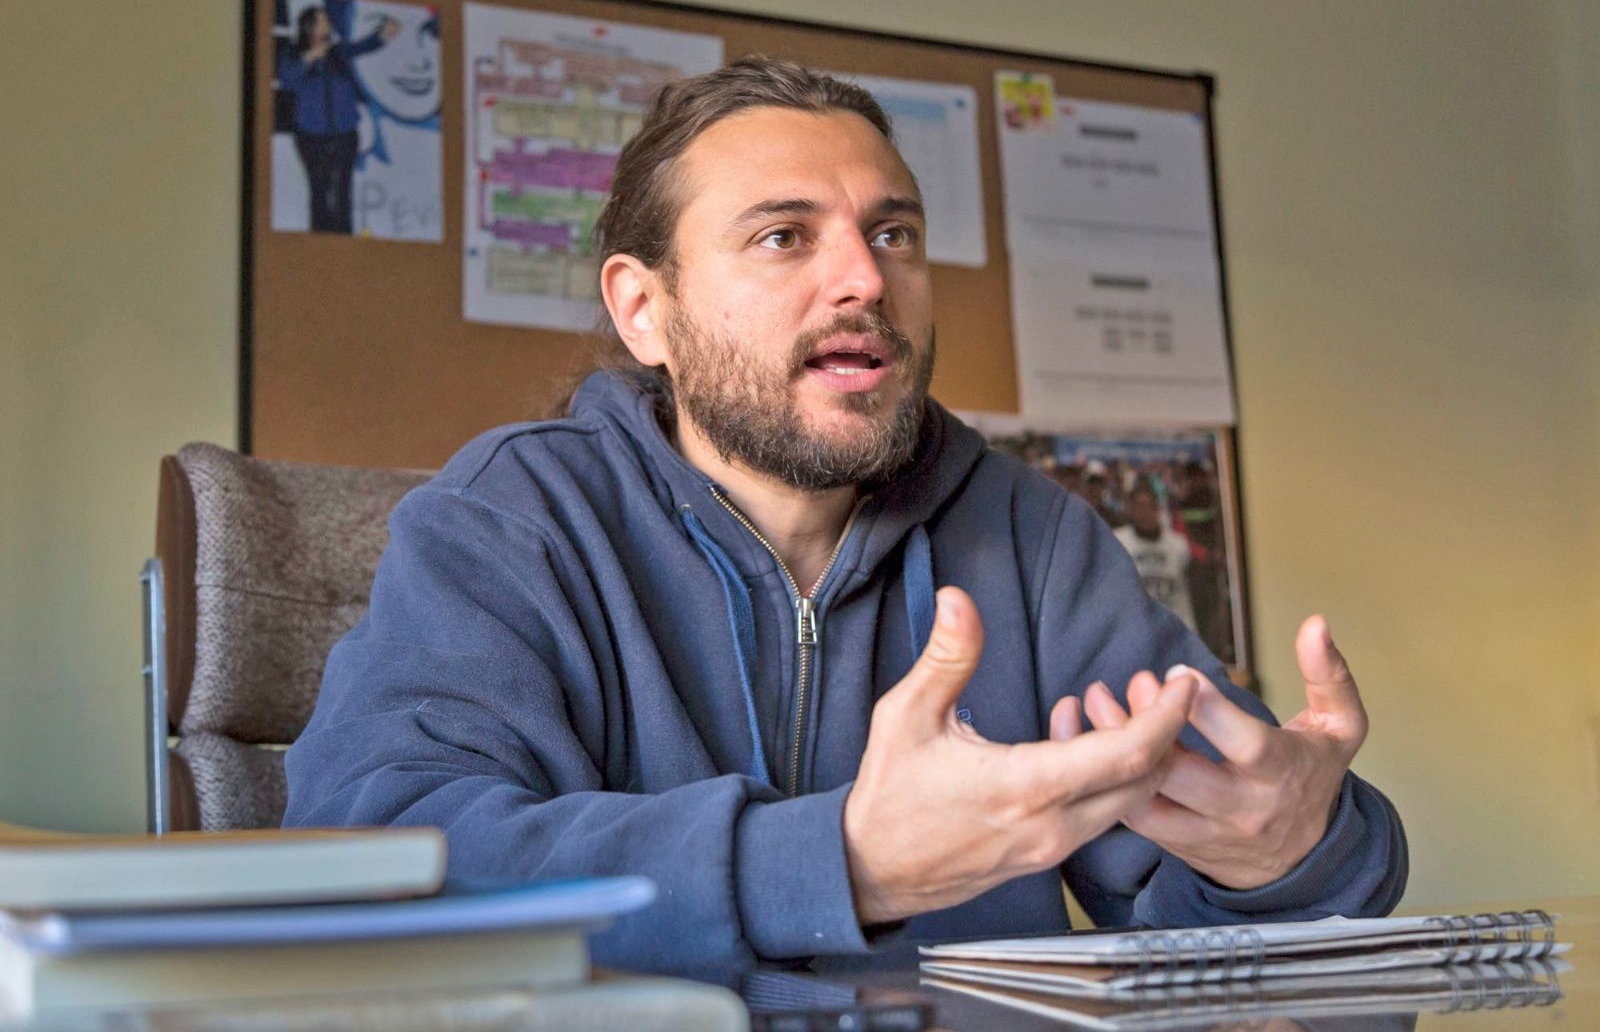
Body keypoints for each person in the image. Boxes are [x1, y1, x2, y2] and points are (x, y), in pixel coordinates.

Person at [284, 57, 1406, 977]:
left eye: (894, 233)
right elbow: (378, 867)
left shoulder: (1029, 538)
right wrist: (839, 861)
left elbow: (1218, 916)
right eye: (784, 236)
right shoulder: (510, 520)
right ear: (644, 308)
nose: (864, 279)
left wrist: (1295, 854)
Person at [276, 5, 398, 233]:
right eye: (322, 20)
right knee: (319, 193)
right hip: (310, 137)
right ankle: (320, 243)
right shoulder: (292, 52)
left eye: (327, 20)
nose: (327, 24)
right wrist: (310, 57)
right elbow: (288, 80)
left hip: (345, 134)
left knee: (342, 193)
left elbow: (363, 46)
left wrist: (383, 34)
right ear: (309, 26)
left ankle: (344, 242)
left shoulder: (338, 51)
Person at [1114, 477, 1199, 630]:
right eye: (1139, 507)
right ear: (1131, 509)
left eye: (1149, 506)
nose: (1144, 512)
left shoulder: (1178, 545)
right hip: (1136, 629)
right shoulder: (1119, 542)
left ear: (1157, 508)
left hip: (1172, 628)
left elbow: (1187, 592)